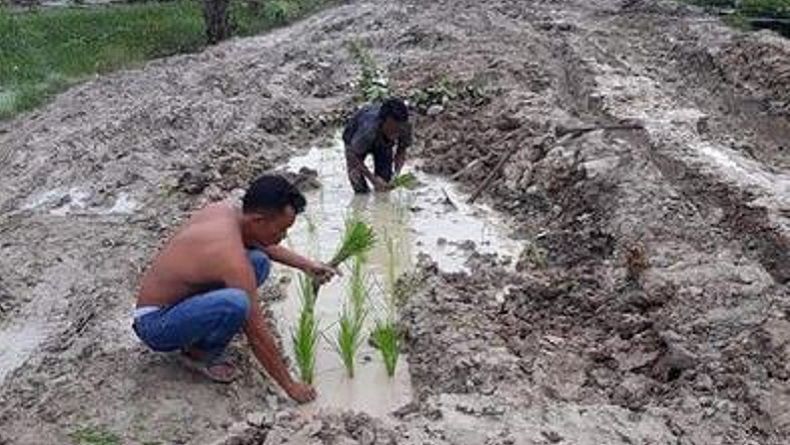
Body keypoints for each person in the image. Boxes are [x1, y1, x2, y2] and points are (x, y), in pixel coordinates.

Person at [133, 174, 337, 403]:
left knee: (258, 261)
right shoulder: (229, 257)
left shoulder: (226, 213)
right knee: (237, 303)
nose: (283, 236)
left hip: (177, 303)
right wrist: (291, 387)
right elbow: (258, 332)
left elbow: (261, 244)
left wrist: (308, 265)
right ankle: (197, 354)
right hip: (156, 324)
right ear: (259, 220)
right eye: (281, 229)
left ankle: (206, 325)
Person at [343, 97, 412, 193]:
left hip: (383, 143)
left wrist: (396, 174)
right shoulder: (368, 129)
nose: (396, 133)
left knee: (385, 184)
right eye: (392, 128)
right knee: (358, 184)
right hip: (354, 140)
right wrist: (372, 179)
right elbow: (352, 154)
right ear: (382, 121)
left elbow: (401, 150)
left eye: (399, 130)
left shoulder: (405, 126)